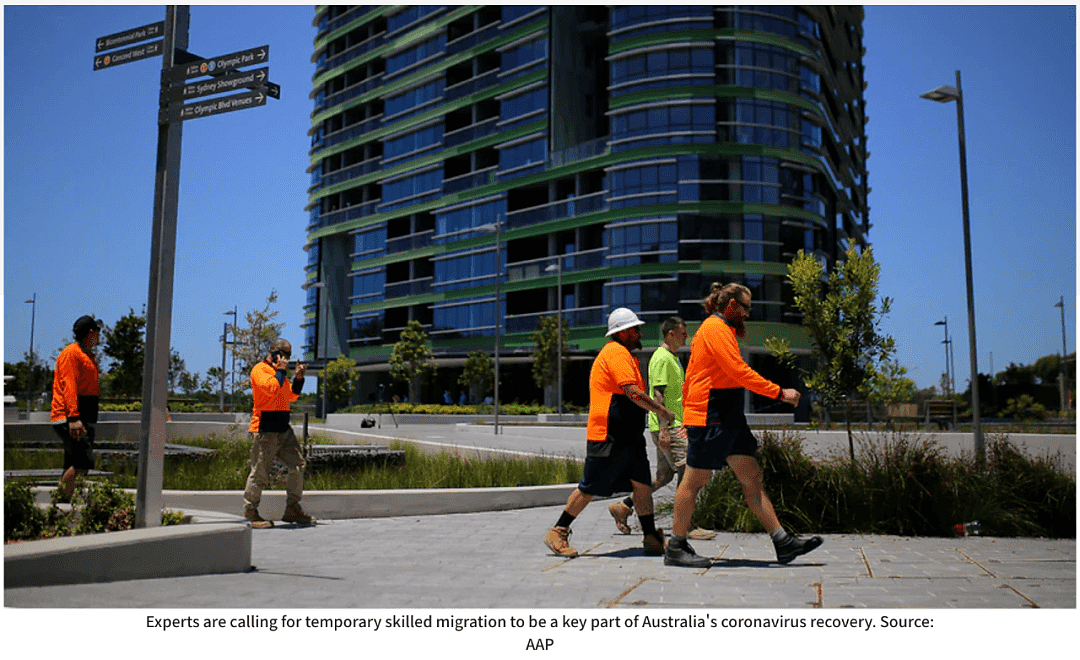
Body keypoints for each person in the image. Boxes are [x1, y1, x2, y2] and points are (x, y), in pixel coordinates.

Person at [665, 283, 822, 567]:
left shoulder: (722, 329)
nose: (748, 314)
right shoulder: (714, 329)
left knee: (751, 475)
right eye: (746, 307)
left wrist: (688, 415)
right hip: (712, 414)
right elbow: (737, 371)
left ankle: (782, 542)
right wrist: (779, 392)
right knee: (695, 480)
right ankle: (676, 546)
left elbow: (693, 377)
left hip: (727, 415)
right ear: (732, 304)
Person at [544, 308, 677, 558]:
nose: (639, 334)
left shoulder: (625, 354)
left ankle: (650, 537)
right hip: (609, 433)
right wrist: (661, 411)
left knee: (642, 484)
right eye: (635, 330)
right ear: (623, 332)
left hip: (628, 435)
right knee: (590, 486)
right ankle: (558, 531)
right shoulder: (615, 352)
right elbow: (632, 392)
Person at [607, 316, 716, 541]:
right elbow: (658, 394)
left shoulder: (673, 358)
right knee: (689, 473)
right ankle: (687, 526)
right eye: (683, 332)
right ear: (671, 334)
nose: (687, 336)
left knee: (665, 476)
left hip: (671, 425)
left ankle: (623, 506)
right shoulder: (662, 358)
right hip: (670, 426)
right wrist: (665, 430)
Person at [243, 338, 315, 528]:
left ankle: (292, 509)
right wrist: (282, 371)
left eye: (289, 356)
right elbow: (271, 390)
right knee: (260, 471)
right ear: (274, 352)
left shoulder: (278, 373)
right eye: (283, 354)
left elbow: (291, 395)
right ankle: (250, 511)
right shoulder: (260, 370)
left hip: (283, 427)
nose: (286, 359)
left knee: (298, 465)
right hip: (265, 428)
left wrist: (298, 378)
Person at [51, 315, 102, 502]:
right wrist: (73, 417)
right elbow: (69, 385)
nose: (99, 336)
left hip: (81, 417)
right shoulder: (72, 353)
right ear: (90, 333)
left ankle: (64, 502)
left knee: (73, 462)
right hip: (71, 418)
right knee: (82, 462)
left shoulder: (86, 354)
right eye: (97, 331)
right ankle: (61, 502)